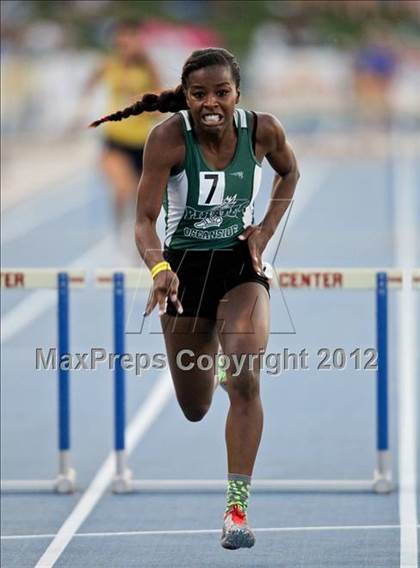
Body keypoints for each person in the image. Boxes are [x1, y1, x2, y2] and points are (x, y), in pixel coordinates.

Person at [91, 47, 299, 550]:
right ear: (185, 97)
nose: (211, 103)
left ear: (237, 95)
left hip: (237, 264)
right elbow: (142, 220)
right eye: (199, 94)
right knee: (195, 406)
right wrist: (159, 268)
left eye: (221, 93)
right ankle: (218, 369)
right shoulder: (167, 138)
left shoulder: (263, 130)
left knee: (247, 375)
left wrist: (264, 233)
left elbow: (288, 173)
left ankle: (236, 509)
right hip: (182, 271)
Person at [85, 19, 160, 233]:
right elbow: (89, 84)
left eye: (131, 37)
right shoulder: (109, 64)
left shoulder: (149, 67)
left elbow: (160, 102)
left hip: (142, 142)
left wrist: (145, 105)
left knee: (140, 196)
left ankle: (134, 233)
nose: (125, 42)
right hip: (115, 138)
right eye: (121, 38)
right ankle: (119, 233)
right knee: (122, 189)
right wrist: (82, 112)